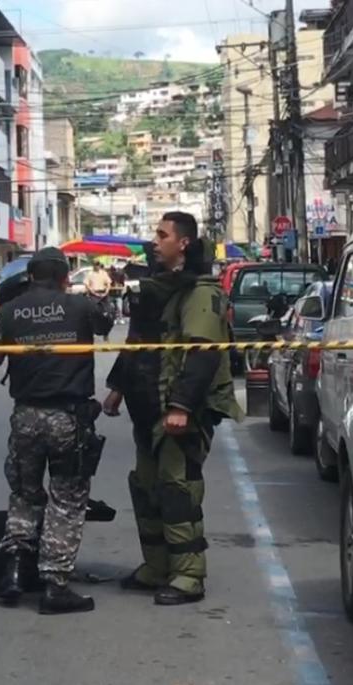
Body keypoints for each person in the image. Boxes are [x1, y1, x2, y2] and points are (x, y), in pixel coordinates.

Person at [103, 212, 243, 606]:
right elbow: (137, 343)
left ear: (183, 242)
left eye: (162, 235)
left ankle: (188, 575)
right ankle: (156, 567)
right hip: (147, 405)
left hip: (178, 410)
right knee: (146, 488)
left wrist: (181, 406)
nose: (155, 240)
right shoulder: (156, 289)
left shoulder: (201, 292)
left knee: (177, 488)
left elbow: (202, 355)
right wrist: (116, 388)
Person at [0, 247, 115, 615]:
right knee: (67, 498)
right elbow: (106, 322)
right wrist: (99, 295)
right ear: (63, 277)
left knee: (25, 494)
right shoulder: (79, 306)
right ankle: (55, 585)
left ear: (30, 276)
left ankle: (14, 572)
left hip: (25, 416)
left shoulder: (9, 311)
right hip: (67, 417)